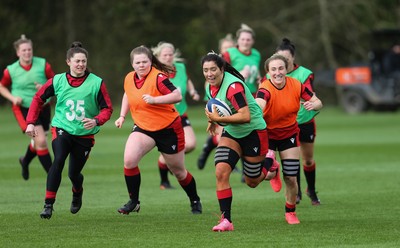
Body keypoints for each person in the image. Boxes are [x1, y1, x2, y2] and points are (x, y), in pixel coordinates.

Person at [25, 41, 113, 219]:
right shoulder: (57, 81)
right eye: (77, 61)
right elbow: (38, 98)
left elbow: (107, 109)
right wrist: (30, 122)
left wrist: (96, 120)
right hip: (62, 128)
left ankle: (77, 191)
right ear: (68, 62)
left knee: (74, 173)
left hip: (85, 135)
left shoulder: (96, 83)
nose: (80, 64)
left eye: (83, 61)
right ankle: (48, 205)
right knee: (58, 160)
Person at [115, 45, 202, 215]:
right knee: (129, 160)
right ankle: (134, 201)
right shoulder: (129, 78)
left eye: (145, 62)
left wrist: (155, 100)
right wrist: (122, 116)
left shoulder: (159, 77)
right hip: (143, 127)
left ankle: (195, 200)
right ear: (132, 64)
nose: (141, 65)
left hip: (168, 129)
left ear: (151, 61)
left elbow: (177, 95)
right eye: (138, 62)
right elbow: (128, 94)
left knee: (178, 171)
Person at [202, 52, 280, 232]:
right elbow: (216, 105)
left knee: (252, 182)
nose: (209, 74)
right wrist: (212, 121)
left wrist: (219, 118)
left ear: (222, 69)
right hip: (232, 133)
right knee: (221, 171)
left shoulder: (233, 87)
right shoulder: (210, 86)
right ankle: (226, 220)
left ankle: (270, 164)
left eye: (213, 69)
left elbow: (245, 116)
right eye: (206, 70)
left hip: (254, 132)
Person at [256, 54, 323, 224]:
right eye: (273, 69)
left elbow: (318, 102)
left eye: (281, 68)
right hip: (268, 135)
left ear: (287, 69)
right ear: (268, 72)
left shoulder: (296, 85)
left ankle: (290, 211)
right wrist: (257, 108)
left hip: (289, 135)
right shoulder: (265, 88)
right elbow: (259, 103)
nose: (277, 72)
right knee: (267, 176)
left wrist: (313, 104)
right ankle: (274, 168)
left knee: (291, 178)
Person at [0, 34, 55, 180]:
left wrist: (44, 87)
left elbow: (55, 82)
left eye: (29, 49)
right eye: (23, 50)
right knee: (41, 141)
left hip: (43, 107)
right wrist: (13, 98)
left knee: (38, 141)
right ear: (18, 52)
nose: (27, 52)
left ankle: (25, 161)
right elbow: (1, 86)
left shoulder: (43, 65)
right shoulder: (10, 70)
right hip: (24, 108)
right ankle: (53, 176)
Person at [275, 38, 321, 205]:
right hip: (286, 124)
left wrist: (311, 102)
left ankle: (312, 190)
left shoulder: (304, 74)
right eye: (280, 58)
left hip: (305, 121)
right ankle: (298, 192)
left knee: (307, 159)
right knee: (292, 159)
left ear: (293, 58)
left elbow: (311, 94)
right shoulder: (271, 75)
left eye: (286, 58)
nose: (283, 62)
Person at [151, 42, 200, 190]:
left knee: (191, 144)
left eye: (170, 54)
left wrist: (193, 91)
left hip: (181, 114)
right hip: (164, 118)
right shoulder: (155, 71)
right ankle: (164, 181)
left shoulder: (180, 67)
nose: (168, 57)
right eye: (164, 55)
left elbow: (187, 80)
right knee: (171, 149)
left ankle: (169, 159)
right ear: (158, 56)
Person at [197, 34, 235, 170]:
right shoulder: (214, 70)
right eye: (225, 48)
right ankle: (227, 160)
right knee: (223, 136)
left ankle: (209, 148)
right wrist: (212, 118)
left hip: (241, 101)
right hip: (225, 106)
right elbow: (211, 97)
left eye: (231, 48)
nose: (228, 51)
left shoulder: (239, 63)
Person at [222, 24, 261, 96]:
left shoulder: (256, 54)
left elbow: (256, 69)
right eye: (242, 39)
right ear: (238, 40)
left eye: (248, 40)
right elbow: (221, 74)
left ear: (253, 41)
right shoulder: (229, 53)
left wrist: (259, 79)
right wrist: (238, 74)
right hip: (235, 93)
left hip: (253, 93)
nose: (245, 42)